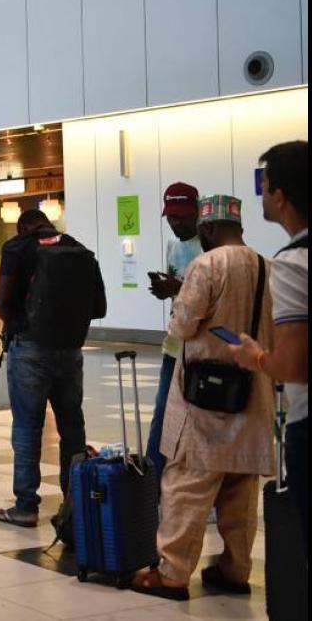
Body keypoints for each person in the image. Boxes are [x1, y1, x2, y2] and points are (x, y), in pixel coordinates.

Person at [132, 194, 276, 600]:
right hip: (253, 390)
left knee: (187, 482)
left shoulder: (207, 265)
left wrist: (176, 301)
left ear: (208, 227)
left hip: (204, 395)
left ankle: (172, 573)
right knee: (240, 488)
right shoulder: (267, 266)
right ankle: (235, 570)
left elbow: (182, 326)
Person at [0, 209, 104, 527]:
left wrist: (21, 324)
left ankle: (26, 507)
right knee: (72, 426)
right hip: (70, 349)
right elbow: (99, 307)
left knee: (28, 427)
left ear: (22, 227)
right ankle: (74, 504)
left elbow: (2, 302)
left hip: (29, 348)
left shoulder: (17, 247)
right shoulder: (78, 248)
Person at [230, 140, 308, 552]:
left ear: (280, 197)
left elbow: (294, 364)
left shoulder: (294, 263)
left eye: (265, 186)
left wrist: (256, 357)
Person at [147, 182, 203, 476]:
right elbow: (177, 291)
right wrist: (165, 290)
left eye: (182, 216)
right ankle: (152, 479)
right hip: (175, 339)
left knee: (201, 415)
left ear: (197, 212)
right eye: (171, 217)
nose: (176, 223)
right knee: (163, 410)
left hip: (203, 344)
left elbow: (213, 296)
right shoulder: (172, 244)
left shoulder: (209, 244)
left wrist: (177, 288)